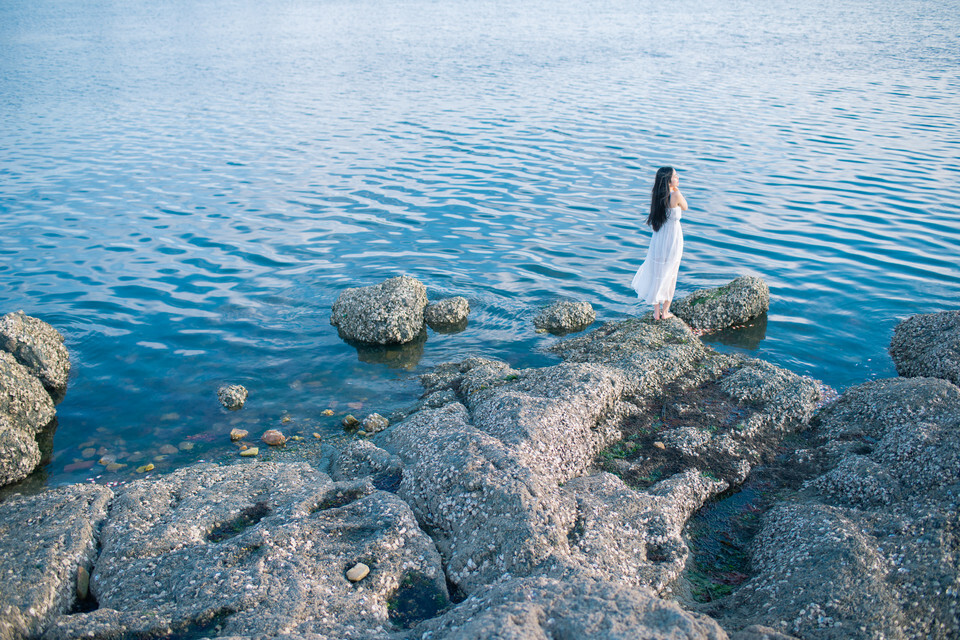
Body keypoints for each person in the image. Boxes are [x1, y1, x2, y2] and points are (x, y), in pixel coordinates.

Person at [631, 166, 688, 320]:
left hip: (659, 236)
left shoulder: (657, 195)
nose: (678, 178)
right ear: (669, 180)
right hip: (673, 238)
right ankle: (665, 312)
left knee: (658, 271)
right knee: (671, 272)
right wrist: (676, 189)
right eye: (675, 176)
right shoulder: (675, 194)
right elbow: (685, 207)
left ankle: (656, 312)